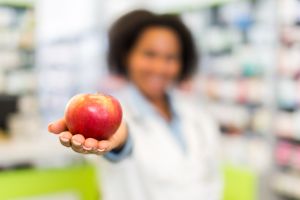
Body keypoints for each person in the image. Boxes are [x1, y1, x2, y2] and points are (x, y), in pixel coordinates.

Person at [48, 10, 222, 200]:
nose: (159, 67)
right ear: (127, 56)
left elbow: (212, 180)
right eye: (149, 54)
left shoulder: (196, 113)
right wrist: (118, 140)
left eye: (170, 57)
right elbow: (119, 144)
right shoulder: (116, 116)